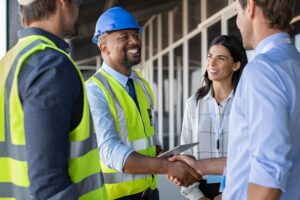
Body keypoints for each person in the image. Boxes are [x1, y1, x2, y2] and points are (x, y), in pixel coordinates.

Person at [172, 0, 300, 199]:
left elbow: (269, 169)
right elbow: (250, 156)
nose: (238, 22)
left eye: (236, 11)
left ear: (250, 7)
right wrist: (200, 167)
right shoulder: (292, 61)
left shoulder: (262, 71)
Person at [86, 6, 201, 200]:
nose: (135, 41)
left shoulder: (140, 84)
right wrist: (168, 167)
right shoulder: (94, 90)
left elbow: (150, 143)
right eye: (124, 36)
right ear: (103, 46)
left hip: (149, 194)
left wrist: (174, 159)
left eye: (136, 35)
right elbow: (109, 151)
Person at [0, 0, 107, 199]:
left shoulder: (8, 63)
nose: (78, 8)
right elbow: (50, 187)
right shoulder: (51, 66)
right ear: (63, 2)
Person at [179, 35, 247, 200]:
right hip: (201, 191)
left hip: (239, 190)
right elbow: (185, 155)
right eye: (210, 56)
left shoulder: (246, 102)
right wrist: (197, 196)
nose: (212, 63)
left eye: (221, 58)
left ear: (236, 65)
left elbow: (252, 155)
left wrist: (227, 196)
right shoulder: (193, 103)